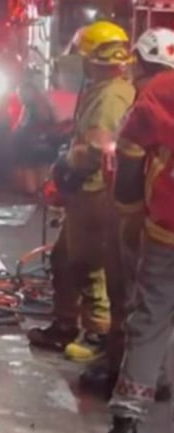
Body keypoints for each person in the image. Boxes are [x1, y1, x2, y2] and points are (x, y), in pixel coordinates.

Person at [28, 21, 135, 363]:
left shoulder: (110, 95)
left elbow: (98, 148)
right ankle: (64, 325)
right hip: (87, 190)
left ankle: (97, 335)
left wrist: (65, 169)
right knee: (63, 258)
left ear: (92, 59)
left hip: (95, 192)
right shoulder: (106, 88)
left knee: (89, 265)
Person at [80, 28, 174, 404]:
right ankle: (160, 380)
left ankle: (126, 422)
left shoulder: (155, 94)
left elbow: (130, 156)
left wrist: (129, 213)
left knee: (146, 316)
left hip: (162, 227)